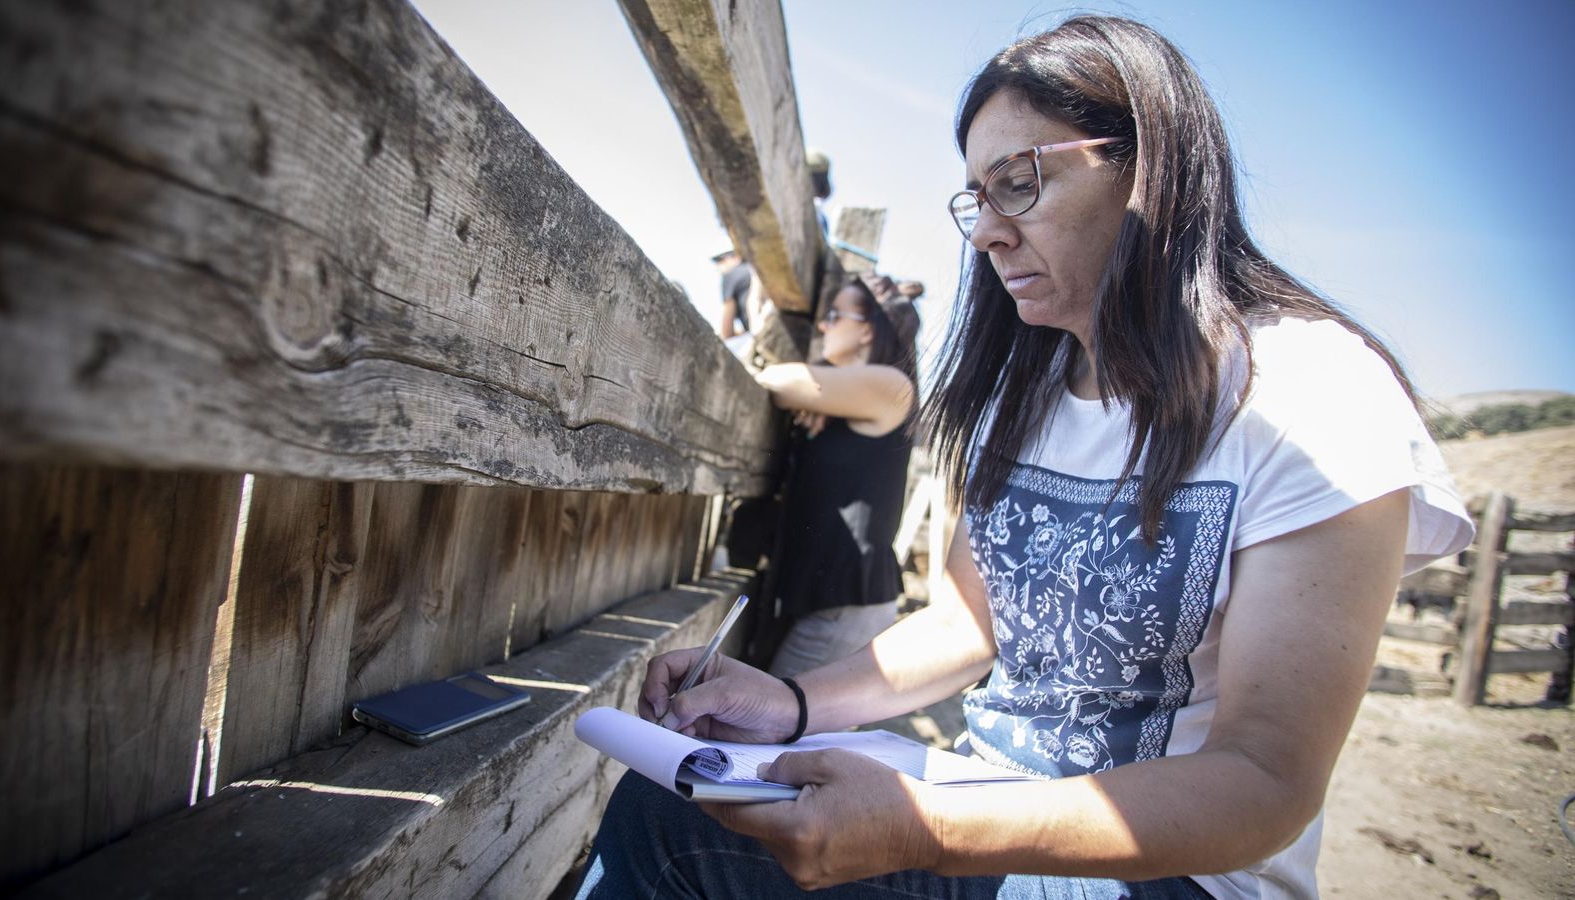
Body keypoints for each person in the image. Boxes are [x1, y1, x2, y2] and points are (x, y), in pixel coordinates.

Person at [577, 15, 1473, 900]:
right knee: (675, 806)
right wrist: (791, 704)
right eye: (977, 195)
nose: (986, 232)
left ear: (1148, 167)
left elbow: (1266, 783)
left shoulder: (1309, 392)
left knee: (681, 835)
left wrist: (928, 828)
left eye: (1020, 182)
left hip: (1173, 875)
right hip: (982, 799)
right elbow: (972, 620)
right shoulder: (1024, 393)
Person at [754, 277, 917, 679]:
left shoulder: (891, 384)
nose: (823, 327)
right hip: (827, 602)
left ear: (865, 329)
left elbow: (779, 381)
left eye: (833, 315)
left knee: (770, 736)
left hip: (842, 612)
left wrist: (811, 388)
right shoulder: (851, 397)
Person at [716, 249, 755, 339]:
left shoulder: (730, 276)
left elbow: (726, 331)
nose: (717, 266)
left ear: (736, 257)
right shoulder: (754, 269)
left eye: (719, 260)